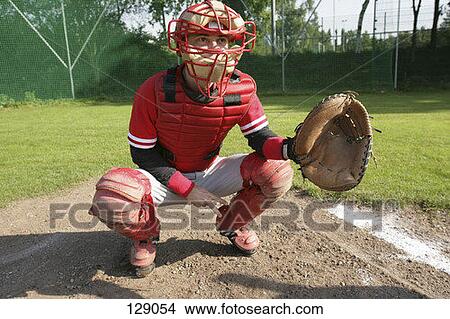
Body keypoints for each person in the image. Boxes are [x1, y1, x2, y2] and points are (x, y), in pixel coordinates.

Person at [89, 0, 297, 277]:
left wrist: (290, 148)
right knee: (112, 194)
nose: (214, 49)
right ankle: (145, 235)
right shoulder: (154, 89)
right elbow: (143, 154)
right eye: (202, 38)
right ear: (183, 43)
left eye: (222, 40)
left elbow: (259, 137)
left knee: (277, 172)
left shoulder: (242, 88)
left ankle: (233, 224)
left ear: (235, 44)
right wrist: (187, 189)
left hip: (211, 170)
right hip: (164, 178)